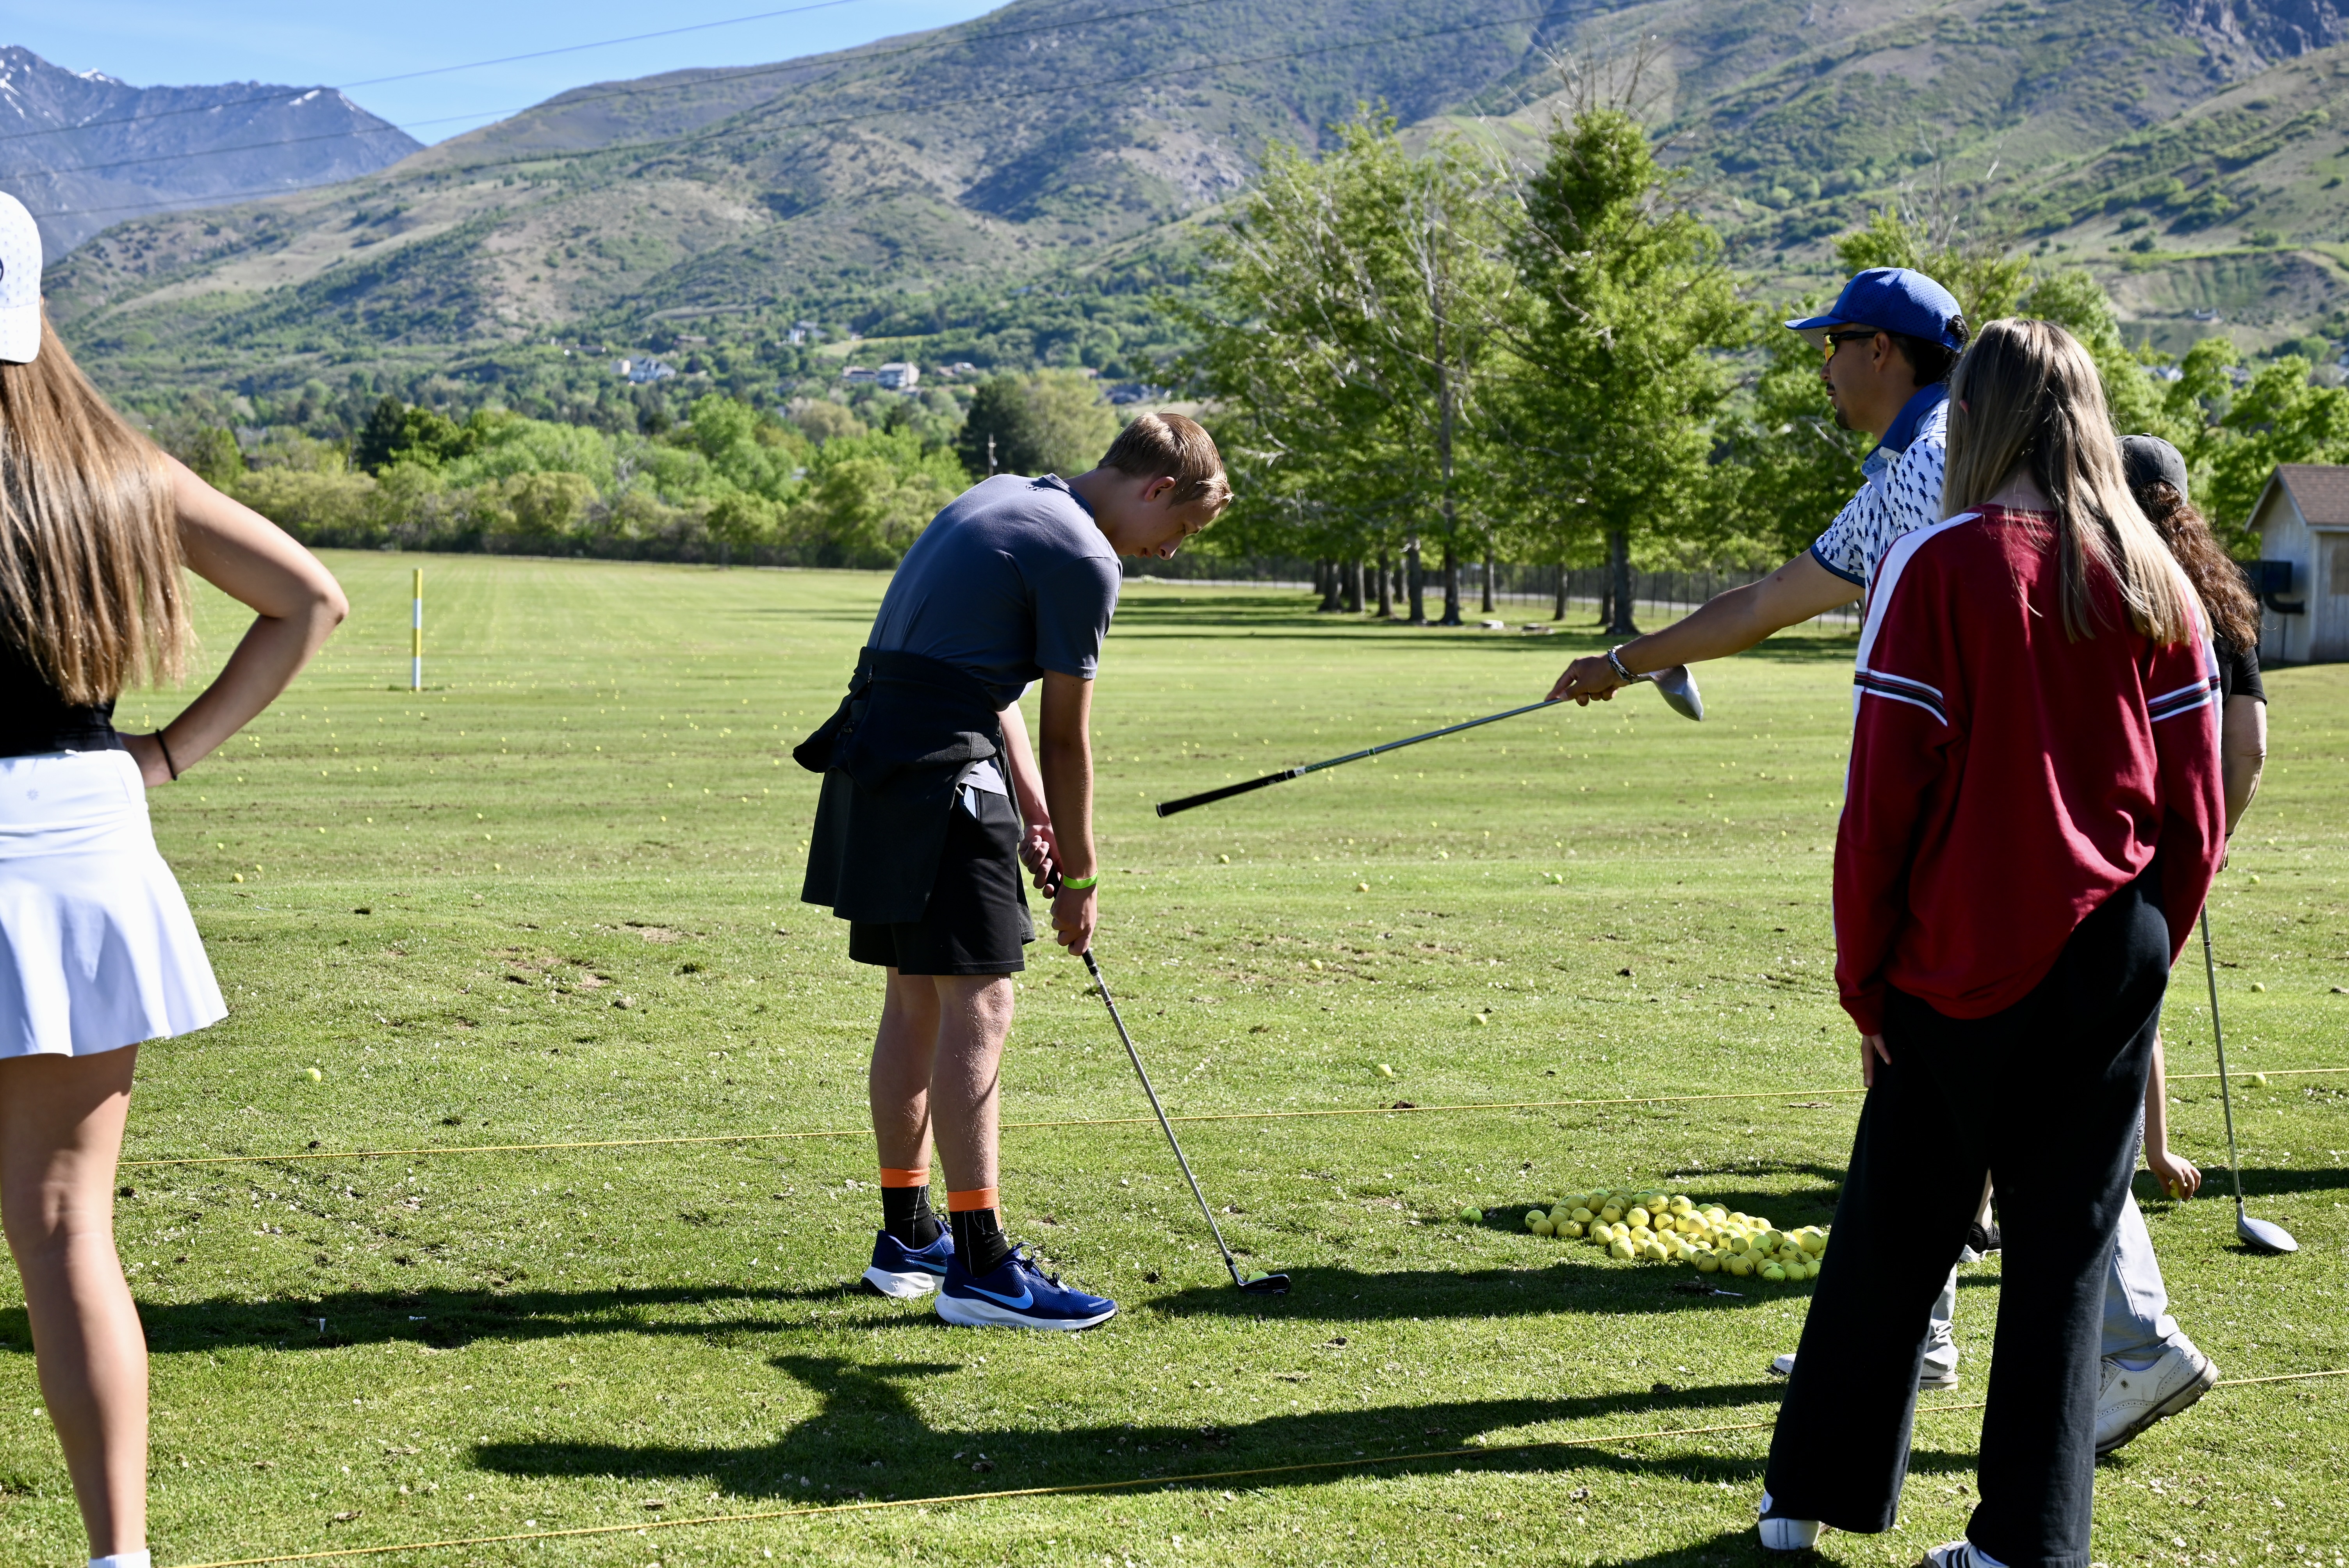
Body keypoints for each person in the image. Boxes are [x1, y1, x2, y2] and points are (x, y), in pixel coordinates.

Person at [1756, 319, 2224, 1568]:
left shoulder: (1938, 560)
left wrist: (1865, 980)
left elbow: (1883, 798)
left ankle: (1806, 1496)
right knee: (2064, 1255)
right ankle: (2027, 1544)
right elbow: (2197, 812)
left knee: (1894, 1229)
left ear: (1977, 418)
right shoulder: (2155, 575)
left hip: (1954, 950)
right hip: (2112, 947)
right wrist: (2147, 950)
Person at [0, 191, 348, 1568]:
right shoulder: (113, 469)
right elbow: (309, 598)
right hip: (82, 831)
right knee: (67, 1228)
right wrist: (164, 755)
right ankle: (119, 1555)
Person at [1559, 265, 1981, 1389]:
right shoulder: (1910, 462)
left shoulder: (1937, 463)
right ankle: (1931, 1331)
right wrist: (1625, 662)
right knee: (1946, 1085)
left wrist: (1622, 662)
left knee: (1935, 1074)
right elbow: (1768, 600)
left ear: (1880, 350)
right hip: (1956, 800)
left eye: (1831, 345)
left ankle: (2079, 1336)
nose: (1823, 368)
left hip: (1955, 807)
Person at [796, 413, 1229, 1331]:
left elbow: (993, 693)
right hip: (940, 773)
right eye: (1181, 528)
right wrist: (1081, 877)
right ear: (1156, 488)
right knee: (981, 1002)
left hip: (877, 756)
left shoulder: (1007, 498)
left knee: (915, 996)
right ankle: (983, 1266)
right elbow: (1069, 739)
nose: (1169, 551)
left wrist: (1033, 815)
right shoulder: (1086, 556)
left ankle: (910, 1236)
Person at [2082, 433, 2271, 1455]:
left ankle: (2136, 1337)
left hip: (2111, 854)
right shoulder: (2221, 598)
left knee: (2076, 1075)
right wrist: (2210, 842)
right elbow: (2247, 747)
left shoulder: (2114, 586)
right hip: (2174, 854)